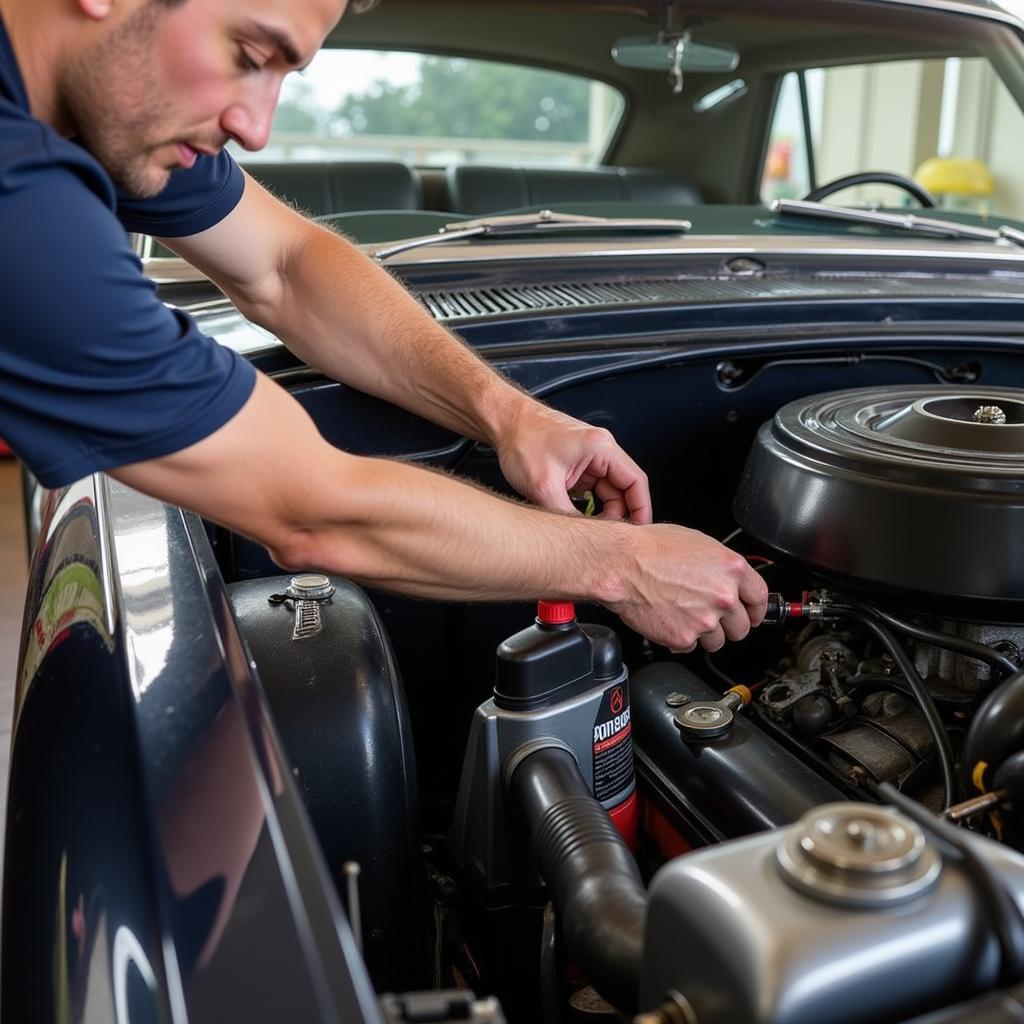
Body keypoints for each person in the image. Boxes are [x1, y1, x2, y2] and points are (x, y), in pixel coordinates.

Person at [0, 0, 767, 652]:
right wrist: (626, 564)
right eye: (250, 54)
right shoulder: (22, 196)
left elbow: (286, 263)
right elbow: (310, 508)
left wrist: (511, 415)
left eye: (282, 77)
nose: (256, 127)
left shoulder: (110, 105)